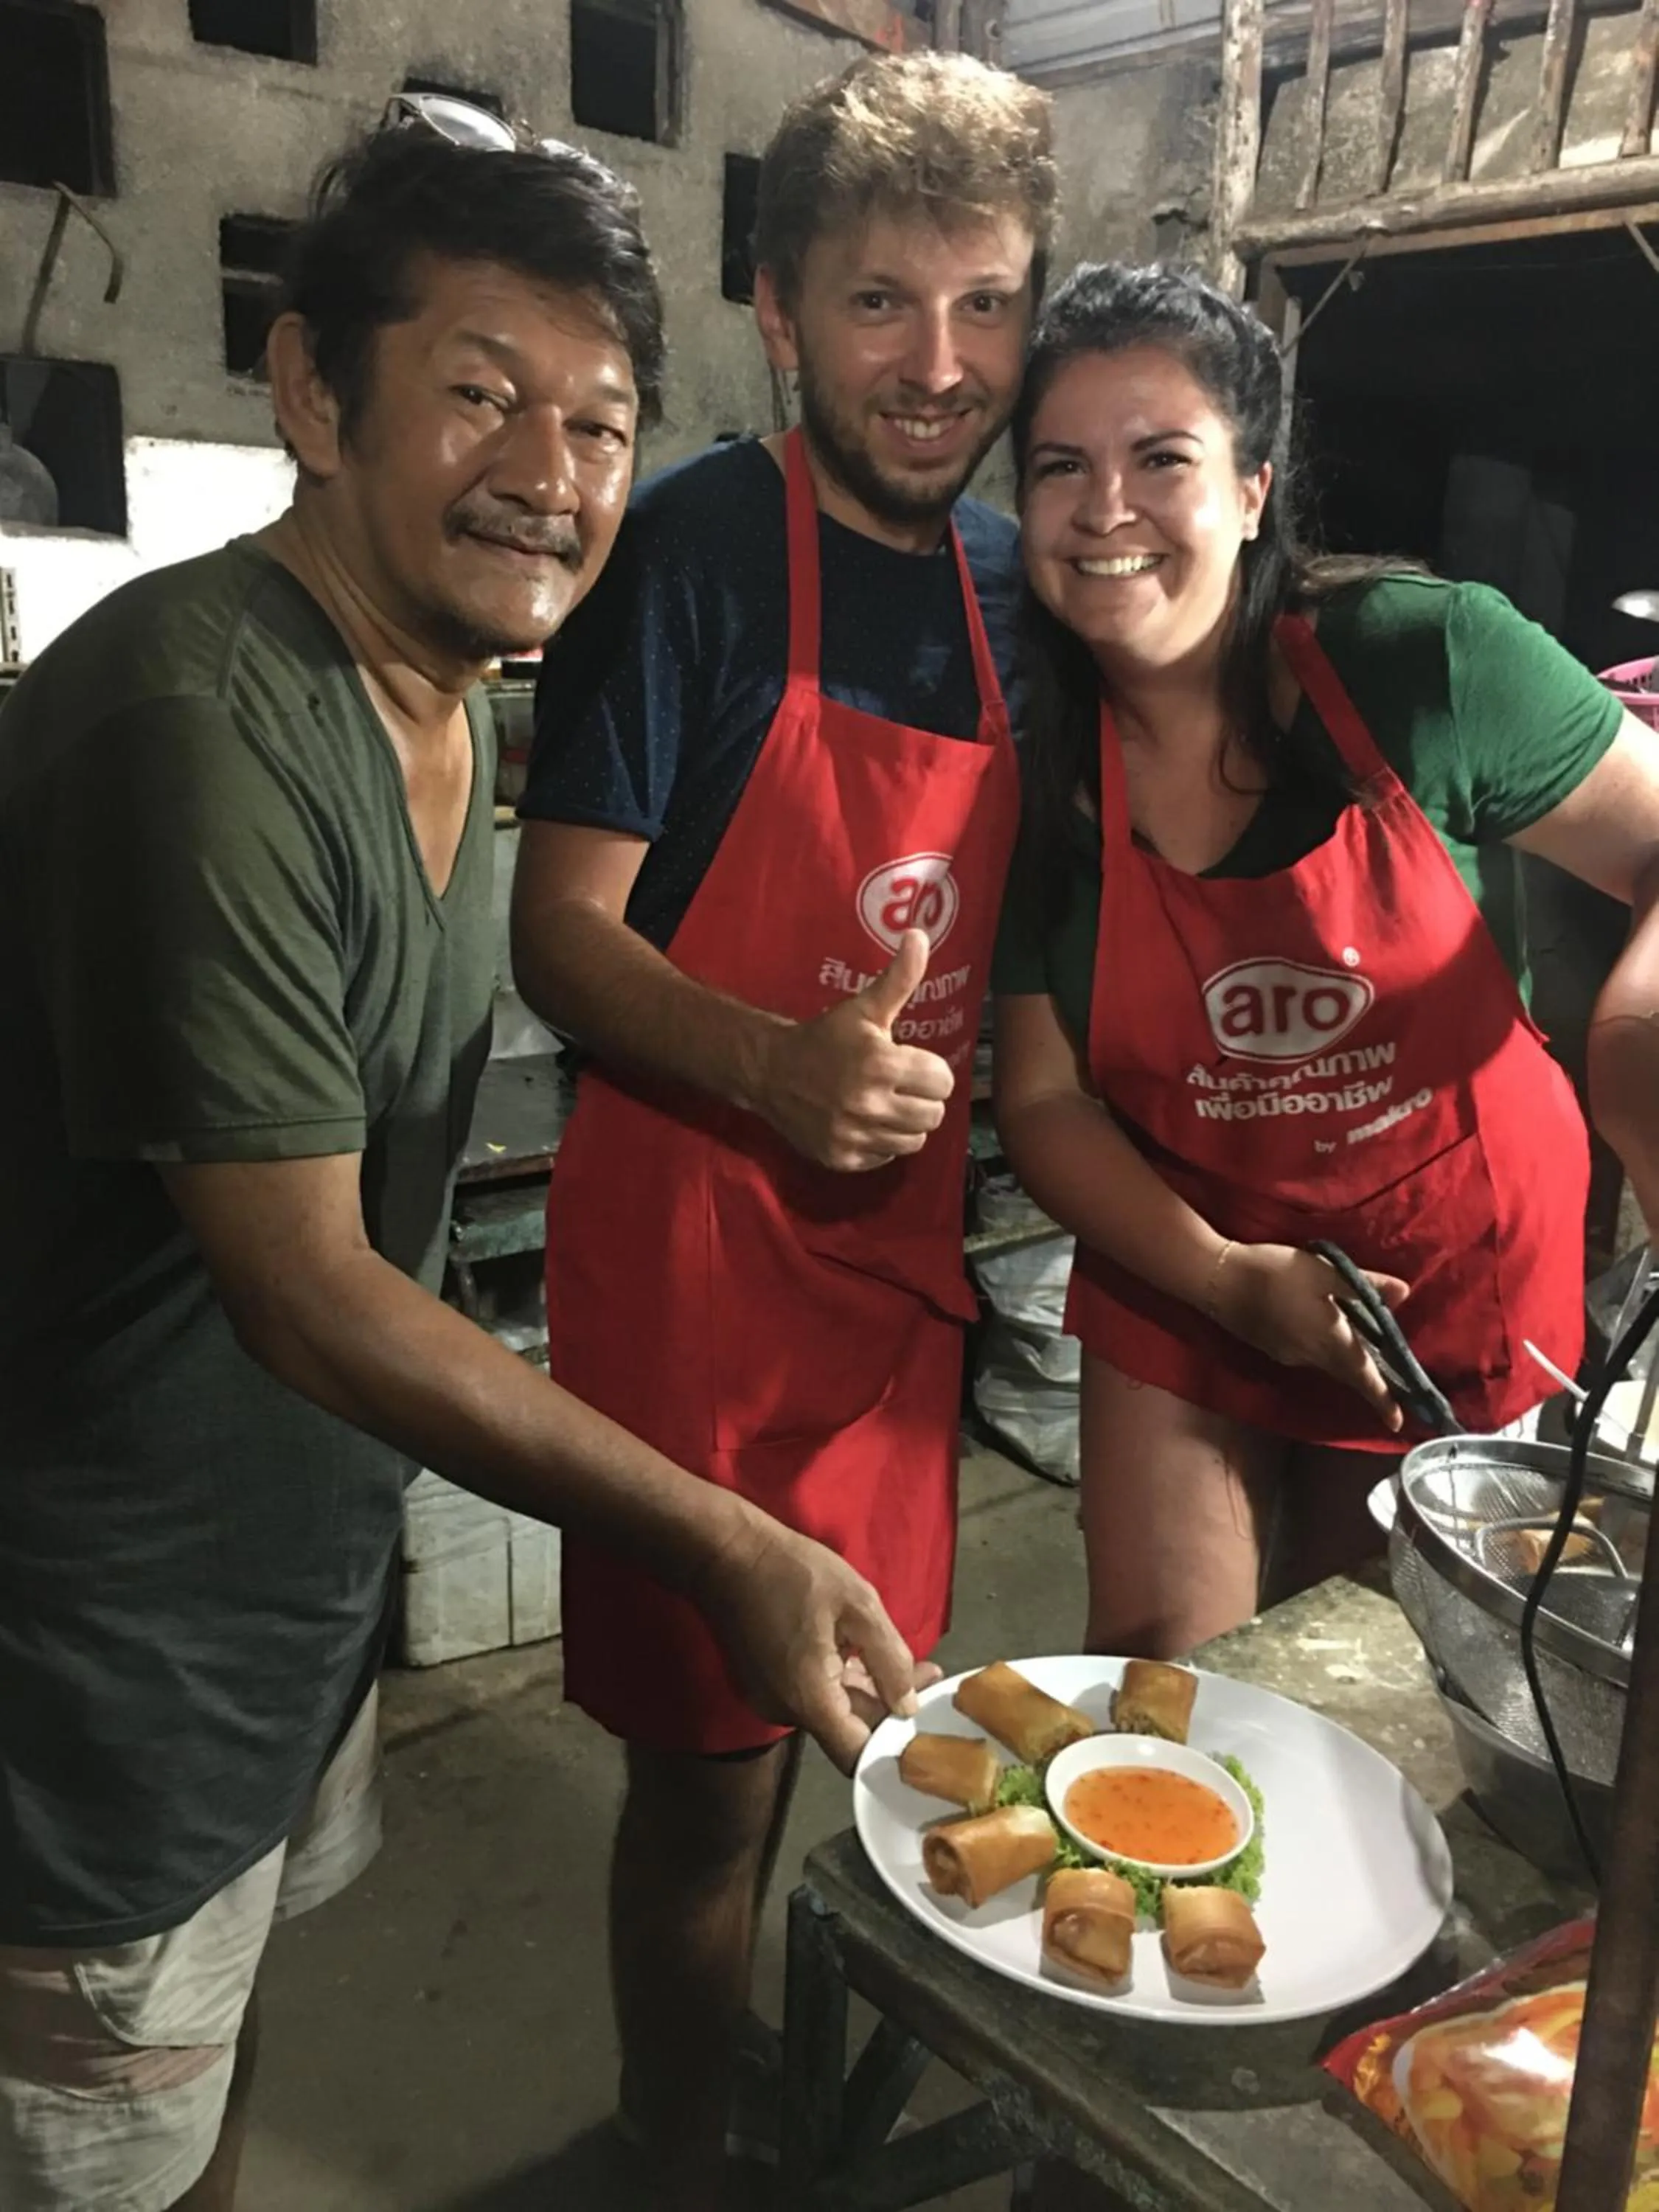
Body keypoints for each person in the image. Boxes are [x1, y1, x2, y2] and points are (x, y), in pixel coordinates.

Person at [0, 112, 925, 2212]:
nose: (553, 469)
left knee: (206, 2075)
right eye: (483, 393)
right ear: (314, 395)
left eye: (600, 420)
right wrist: (724, 1536)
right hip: (89, 1658)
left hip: (273, 1607)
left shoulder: (442, 704)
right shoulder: (201, 723)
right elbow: (311, 1286)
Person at [510, 49, 1055, 2208]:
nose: (939, 369)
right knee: (710, 1786)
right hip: (693, 1282)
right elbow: (562, 941)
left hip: (892, 1292)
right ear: (776, 306)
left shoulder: (1033, 590)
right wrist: (771, 1062)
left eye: (987, 307)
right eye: (879, 306)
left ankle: (764, 2082)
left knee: (893, 1734)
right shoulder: (695, 552)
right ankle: (675, 2136)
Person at [993, 260, 1659, 1663]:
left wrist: (1630, 1045)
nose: (1104, 508)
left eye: (1159, 457)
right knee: (1171, 1673)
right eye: (1061, 467)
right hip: (1192, 1255)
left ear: (1250, 492)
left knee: (1389, 1678)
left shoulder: (1425, 663)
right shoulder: (1038, 764)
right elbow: (1045, 1100)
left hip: (1450, 1279)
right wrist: (1229, 1277)